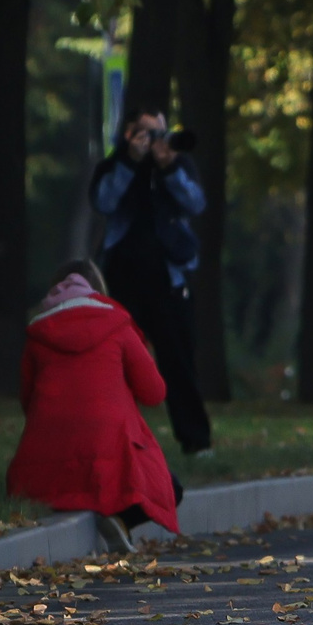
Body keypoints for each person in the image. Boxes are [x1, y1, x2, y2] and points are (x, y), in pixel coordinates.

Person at [5, 259, 181, 554]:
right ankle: (120, 522)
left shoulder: (38, 334)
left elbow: (29, 402)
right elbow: (154, 393)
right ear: (99, 291)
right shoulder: (117, 325)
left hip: (42, 465)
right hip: (108, 464)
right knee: (171, 488)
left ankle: (108, 519)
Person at [92, 110, 211, 456]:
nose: (154, 139)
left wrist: (169, 166)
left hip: (168, 278)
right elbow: (103, 201)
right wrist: (130, 162)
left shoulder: (177, 164)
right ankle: (115, 440)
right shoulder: (115, 165)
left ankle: (196, 440)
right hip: (121, 278)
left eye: (159, 132)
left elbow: (196, 203)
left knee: (179, 360)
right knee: (116, 362)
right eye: (145, 133)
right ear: (128, 134)